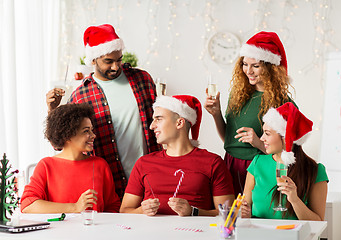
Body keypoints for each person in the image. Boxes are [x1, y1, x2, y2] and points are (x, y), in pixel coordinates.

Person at [46, 24, 161, 200]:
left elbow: (161, 122)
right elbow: (60, 144)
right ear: (93, 60)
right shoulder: (81, 95)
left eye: (119, 60)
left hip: (151, 179)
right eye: (108, 61)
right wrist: (52, 110)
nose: (116, 67)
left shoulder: (142, 80)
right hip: (109, 185)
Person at [204, 31, 296, 195]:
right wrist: (216, 114)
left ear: (270, 68)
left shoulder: (283, 102)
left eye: (256, 66)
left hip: (259, 167)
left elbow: (290, 151)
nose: (248, 71)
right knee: (230, 216)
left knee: (254, 216)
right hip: (230, 164)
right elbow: (229, 138)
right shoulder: (238, 94)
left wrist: (258, 143)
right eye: (245, 64)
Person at [120, 95, 234, 216]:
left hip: (196, 233)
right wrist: (141, 210)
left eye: (158, 119)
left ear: (179, 123)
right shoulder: (143, 163)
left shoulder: (213, 162)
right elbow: (125, 210)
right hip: (152, 233)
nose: (152, 126)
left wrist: (193, 212)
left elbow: (228, 213)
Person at [21, 103, 120, 213]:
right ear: (67, 135)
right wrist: (75, 207)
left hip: (95, 229)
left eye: (92, 130)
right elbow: (28, 205)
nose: (93, 135)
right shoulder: (46, 165)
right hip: (59, 230)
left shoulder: (100, 165)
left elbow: (113, 206)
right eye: (86, 131)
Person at [241, 102, 328, 220]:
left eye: (267, 133)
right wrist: (244, 214)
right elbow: (244, 209)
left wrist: (295, 200)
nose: (262, 138)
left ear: (286, 138)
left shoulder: (315, 171)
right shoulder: (257, 163)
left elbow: (318, 222)